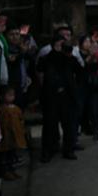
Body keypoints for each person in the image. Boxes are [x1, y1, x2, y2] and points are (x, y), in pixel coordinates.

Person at [38, 32, 79, 161]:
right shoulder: (46, 58)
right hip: (51, 96)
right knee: (50, 124)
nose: (63, 45)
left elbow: (79, 69)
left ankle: (68, 149)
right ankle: (48, 150)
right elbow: (40, 69)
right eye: (61, 43)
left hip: (66, 95)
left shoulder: (68, 58)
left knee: (68, 124)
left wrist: (69, 55)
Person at [0, 85, 26, 179]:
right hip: (6, 136)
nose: (11, 97)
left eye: (12, 95)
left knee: (12, 155)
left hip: (14, 136)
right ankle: (6, 172)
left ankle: (12, 171)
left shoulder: (16, 108)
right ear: (1, 97)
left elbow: (21, 119)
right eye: (9, 95)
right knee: (5, 155)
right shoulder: (1, 109)